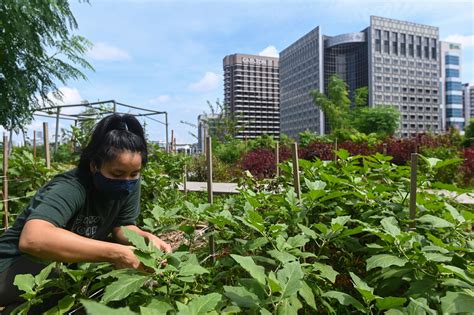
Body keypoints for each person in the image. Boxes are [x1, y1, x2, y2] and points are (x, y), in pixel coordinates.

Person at [0, 114, 172, 309]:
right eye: (117, 173)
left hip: (59, 267)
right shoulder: (72, 187)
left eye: (134, 173)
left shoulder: (129, 184)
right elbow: (33, 239)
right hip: (13, 266)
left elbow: (122, 226)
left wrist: (146, 238)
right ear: (94, 166)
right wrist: (117, 253)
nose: (127, 181)